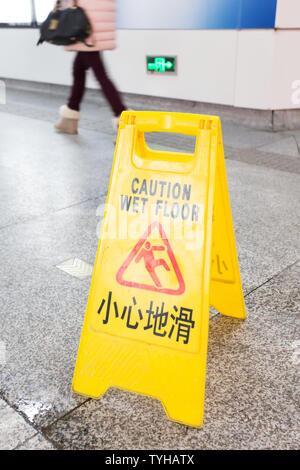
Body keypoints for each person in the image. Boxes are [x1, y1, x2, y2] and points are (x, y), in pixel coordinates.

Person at [55, 0, 127, 134]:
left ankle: (124, 121)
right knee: (78, 70)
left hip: (86, 24)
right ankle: (70, 117)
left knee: (100, 75)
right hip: (92, 22)